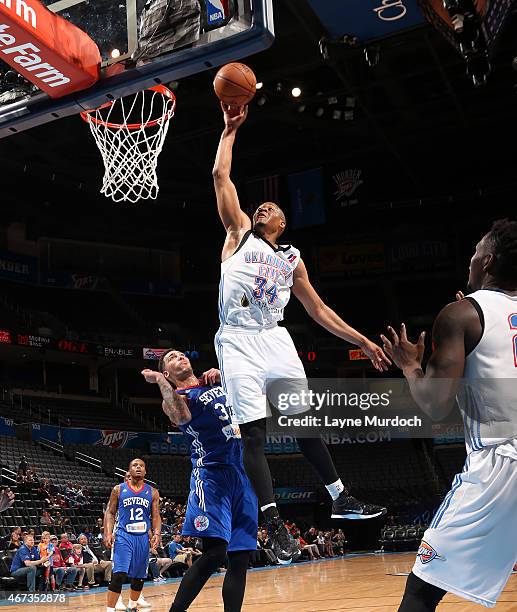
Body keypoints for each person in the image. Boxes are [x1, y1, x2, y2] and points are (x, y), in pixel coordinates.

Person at [211, 103, 388, 562]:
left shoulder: (292, 258)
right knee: (253, 435)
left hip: (275, 337)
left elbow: (319, 309)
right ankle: (274, 523)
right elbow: (219, 176)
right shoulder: (239, 234)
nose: (262, 206)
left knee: (303, 421)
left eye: (272, 207)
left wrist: (363, 341)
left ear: (283, 223)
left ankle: (340, 496)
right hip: (237, 340)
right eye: (260, 204)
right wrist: (229, 132)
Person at [381, 219, 517, 610]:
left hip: (499, 467)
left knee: (422, 588)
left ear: (487, 261)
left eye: (475, 250)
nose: (470, 258)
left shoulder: (461, 315)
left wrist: (410, 367)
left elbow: (435, 406)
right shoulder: (470, 313)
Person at [143, 354, 258, 612]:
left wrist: (224, 375)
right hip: (211, 477)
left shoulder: (214, 383)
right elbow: (181, 417)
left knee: (240, 559)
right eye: (171, 358)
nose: (179, 356)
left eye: (181, 353)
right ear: (168, 373)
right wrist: (161, 381)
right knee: (215, 553)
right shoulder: (176, 398)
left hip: (242, 475)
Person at [104, 458, 160, 612]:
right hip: (124, 535)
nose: (138, 467)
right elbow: (110, 512)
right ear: (129, 471)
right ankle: (110, 609)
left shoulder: (153, 492)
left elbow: (155, 516)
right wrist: (108, 533)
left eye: (141, 465)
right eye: (135, 465)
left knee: (139, 577)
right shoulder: (118, 489)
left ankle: (132, 606)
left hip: (142, 537)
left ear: (145, 471)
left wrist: (156, 533)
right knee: (119, 574)